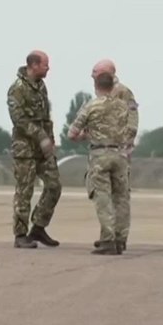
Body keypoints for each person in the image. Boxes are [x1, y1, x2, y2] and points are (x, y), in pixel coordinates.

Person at [68, 71, 130, 255]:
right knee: (121, 198)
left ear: (96, 86)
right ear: (112, 86)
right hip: (120, 154)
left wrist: (86, 135)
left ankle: (108, 239)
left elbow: (72, 134)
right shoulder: (123, 106)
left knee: (103, 198)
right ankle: (121, 239)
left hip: (100, 155)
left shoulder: (91, 107)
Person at [8, 50, 62, 248]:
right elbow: (19, 120)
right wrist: (40, 137)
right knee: (24, 191)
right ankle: (20, 235)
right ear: (34, 65)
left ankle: (38, 227)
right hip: (25, 150)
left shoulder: (41, 87)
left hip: (43, 150)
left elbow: (46, 117)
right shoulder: (17, 89)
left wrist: (50, 141)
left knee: (54, 186)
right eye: (45, 64)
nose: (48, 68)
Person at [89, 58, 137, 251]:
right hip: (111, 150)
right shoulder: (104, 91)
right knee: (113, 196)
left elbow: (131, 119)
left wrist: (127, 144)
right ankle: (112, 236)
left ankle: (117, 237)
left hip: (113, 151)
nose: (91, 74)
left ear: (106, 73)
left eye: (95, 71)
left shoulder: (122, 92)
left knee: (114, 196)